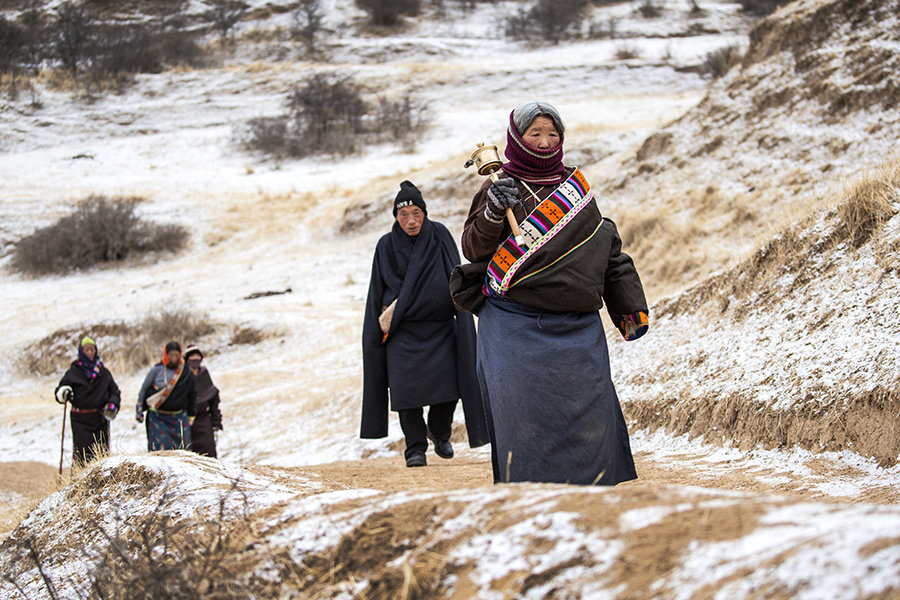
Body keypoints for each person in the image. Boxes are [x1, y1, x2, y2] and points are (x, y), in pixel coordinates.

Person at [452, 101, 649, 485]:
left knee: (589, 414)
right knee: (523, 419)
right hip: (514, 327)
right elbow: (474, 249)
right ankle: (530, 505)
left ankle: (596, 496)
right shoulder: (497, 186)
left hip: (578, 330)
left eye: (553, 134)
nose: (545, 142)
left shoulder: (576, 190)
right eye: (535, 133)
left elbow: (604, 249)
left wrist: (629, 309)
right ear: (516, 139)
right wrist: (493, 214)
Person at [361, 180, 490, 467]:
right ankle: (415, 449)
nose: (411, 221)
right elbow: (376, 289)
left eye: (416, 214)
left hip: (441, 328)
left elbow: (456, 275)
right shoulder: (385, 245)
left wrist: (464, 307)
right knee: (407, 396)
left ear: (425, 213)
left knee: (450, 390)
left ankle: (440, 432)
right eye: (404, 215)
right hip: (402, 333)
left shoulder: (440, 235)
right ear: (396, 216)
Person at [54, 336, 121, 467]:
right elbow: (59, 392)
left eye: (92, 349)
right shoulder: (73, 372)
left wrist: (112, 406)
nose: (90, 352)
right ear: (81, 351)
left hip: (99, 420)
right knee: (82, 457)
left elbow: (115, 392)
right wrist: (64, 392)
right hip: (80, 421)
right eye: (87, 349)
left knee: (101, 458)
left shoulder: (103, 372)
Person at [136, 341, 197, 452]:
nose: (174, 358)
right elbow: (144, 389)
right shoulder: (156, 370)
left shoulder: (186, 373)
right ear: (166, 355)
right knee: (159, 453)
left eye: (176, 355)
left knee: (182, 452)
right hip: (157, 419)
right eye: (171, 355)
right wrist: (139, 409)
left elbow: (192, 394)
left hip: (179, 419)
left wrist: (191, 415)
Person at [183, 345, 222, 458]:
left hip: (204, 420)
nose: (195, 359)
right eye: (192, 357)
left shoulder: (204, 374)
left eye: (197, 357)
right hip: (188, 421)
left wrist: (216, 420)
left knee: (209, 452)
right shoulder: (183, 376)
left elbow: (213, 397)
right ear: (187, 360)